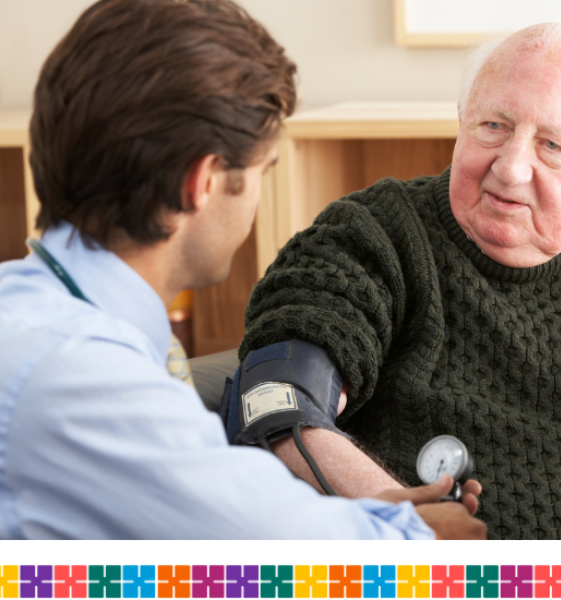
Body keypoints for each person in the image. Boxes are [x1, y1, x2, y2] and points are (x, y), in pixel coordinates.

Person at [0, 0, 485, 540]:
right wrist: (418, 539)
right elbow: (260, 553)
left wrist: (374, 516)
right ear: (203, 182)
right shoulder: (83, 380)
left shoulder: (31, 315)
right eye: (260, 172)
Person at [239, 21, 561, 540]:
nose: (512, 167)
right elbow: (279, 404)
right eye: (493, 126)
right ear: (461, 120)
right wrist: (403, 526)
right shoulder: (375, 234)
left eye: (551, 145)